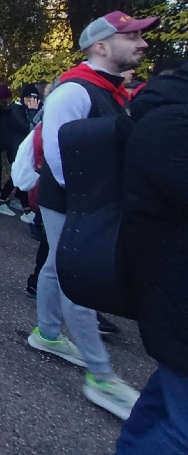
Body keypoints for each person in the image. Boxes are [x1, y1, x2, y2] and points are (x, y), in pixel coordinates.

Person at [28, 10, 159, 420]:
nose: (142, 43)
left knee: (55, 266)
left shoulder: (113, 89)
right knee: (77, 277)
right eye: (132, 36)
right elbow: (56, 153)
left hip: (86, 199)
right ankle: (101, 376)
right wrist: (93, 203)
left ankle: (47, 334)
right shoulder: (74, 91)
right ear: (101, 45)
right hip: (75, 200)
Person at [116, 62, 188, 454]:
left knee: (167, 402)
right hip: (172, 279)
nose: (142, 47)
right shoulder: (170, 123)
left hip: (167, 279)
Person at [0, 84, 38, 222]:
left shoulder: (22, 109)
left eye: (35, 98)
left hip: (22, 148)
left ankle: (2, 202)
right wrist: (33, 111)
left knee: (17, 176)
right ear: (24, 98)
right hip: (15, 148)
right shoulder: (16, 110)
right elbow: (27, 127)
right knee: (19, 175)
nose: (33, 101)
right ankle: (25, 210)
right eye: (30, 97)